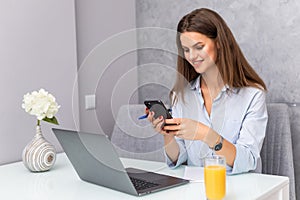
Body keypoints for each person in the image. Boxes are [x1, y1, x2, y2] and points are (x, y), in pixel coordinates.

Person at [147, 8, 268, 174]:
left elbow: (248, 159)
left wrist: (206, 134)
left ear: (219, 43)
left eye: (199, 47)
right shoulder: (181, 96)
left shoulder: (253, 95)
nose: (192, 56)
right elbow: (179, 158)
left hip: (240, 188)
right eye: (186, 50)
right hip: (194, 189)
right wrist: (167, 134)